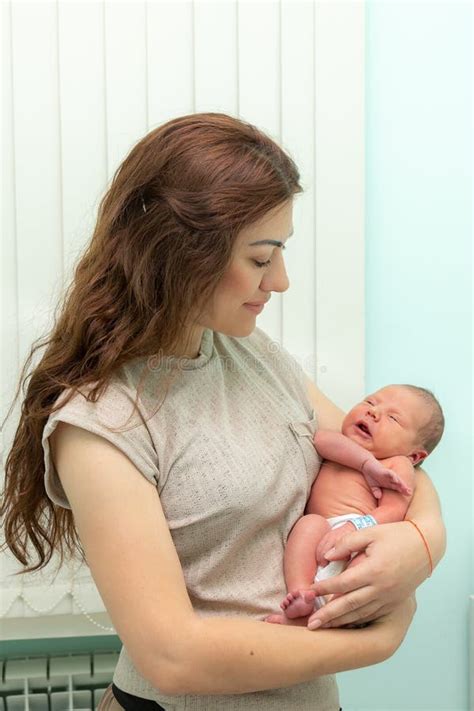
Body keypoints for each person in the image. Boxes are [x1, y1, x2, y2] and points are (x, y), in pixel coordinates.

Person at [1, 113, 446, 711]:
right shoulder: (101, 424)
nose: (282, 281)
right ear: (181, 254)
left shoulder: (251, 353)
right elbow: (173, 656)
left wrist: (424, 544)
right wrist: (380, 640)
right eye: (263, 258)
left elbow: (387, 461)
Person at [265, 384, 444, 627]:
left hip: (358, 533)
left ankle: (328, 616)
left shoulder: (396, 464)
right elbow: (320, 440)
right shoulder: (343, 446)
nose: (373, 412)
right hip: (322, 530)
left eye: (393, 418)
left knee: (365, 567)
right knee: (308, 524)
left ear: (415, 456)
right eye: (370, 402)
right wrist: (366, 464)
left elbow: (393, 511)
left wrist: (354, 527)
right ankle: (301, 596)